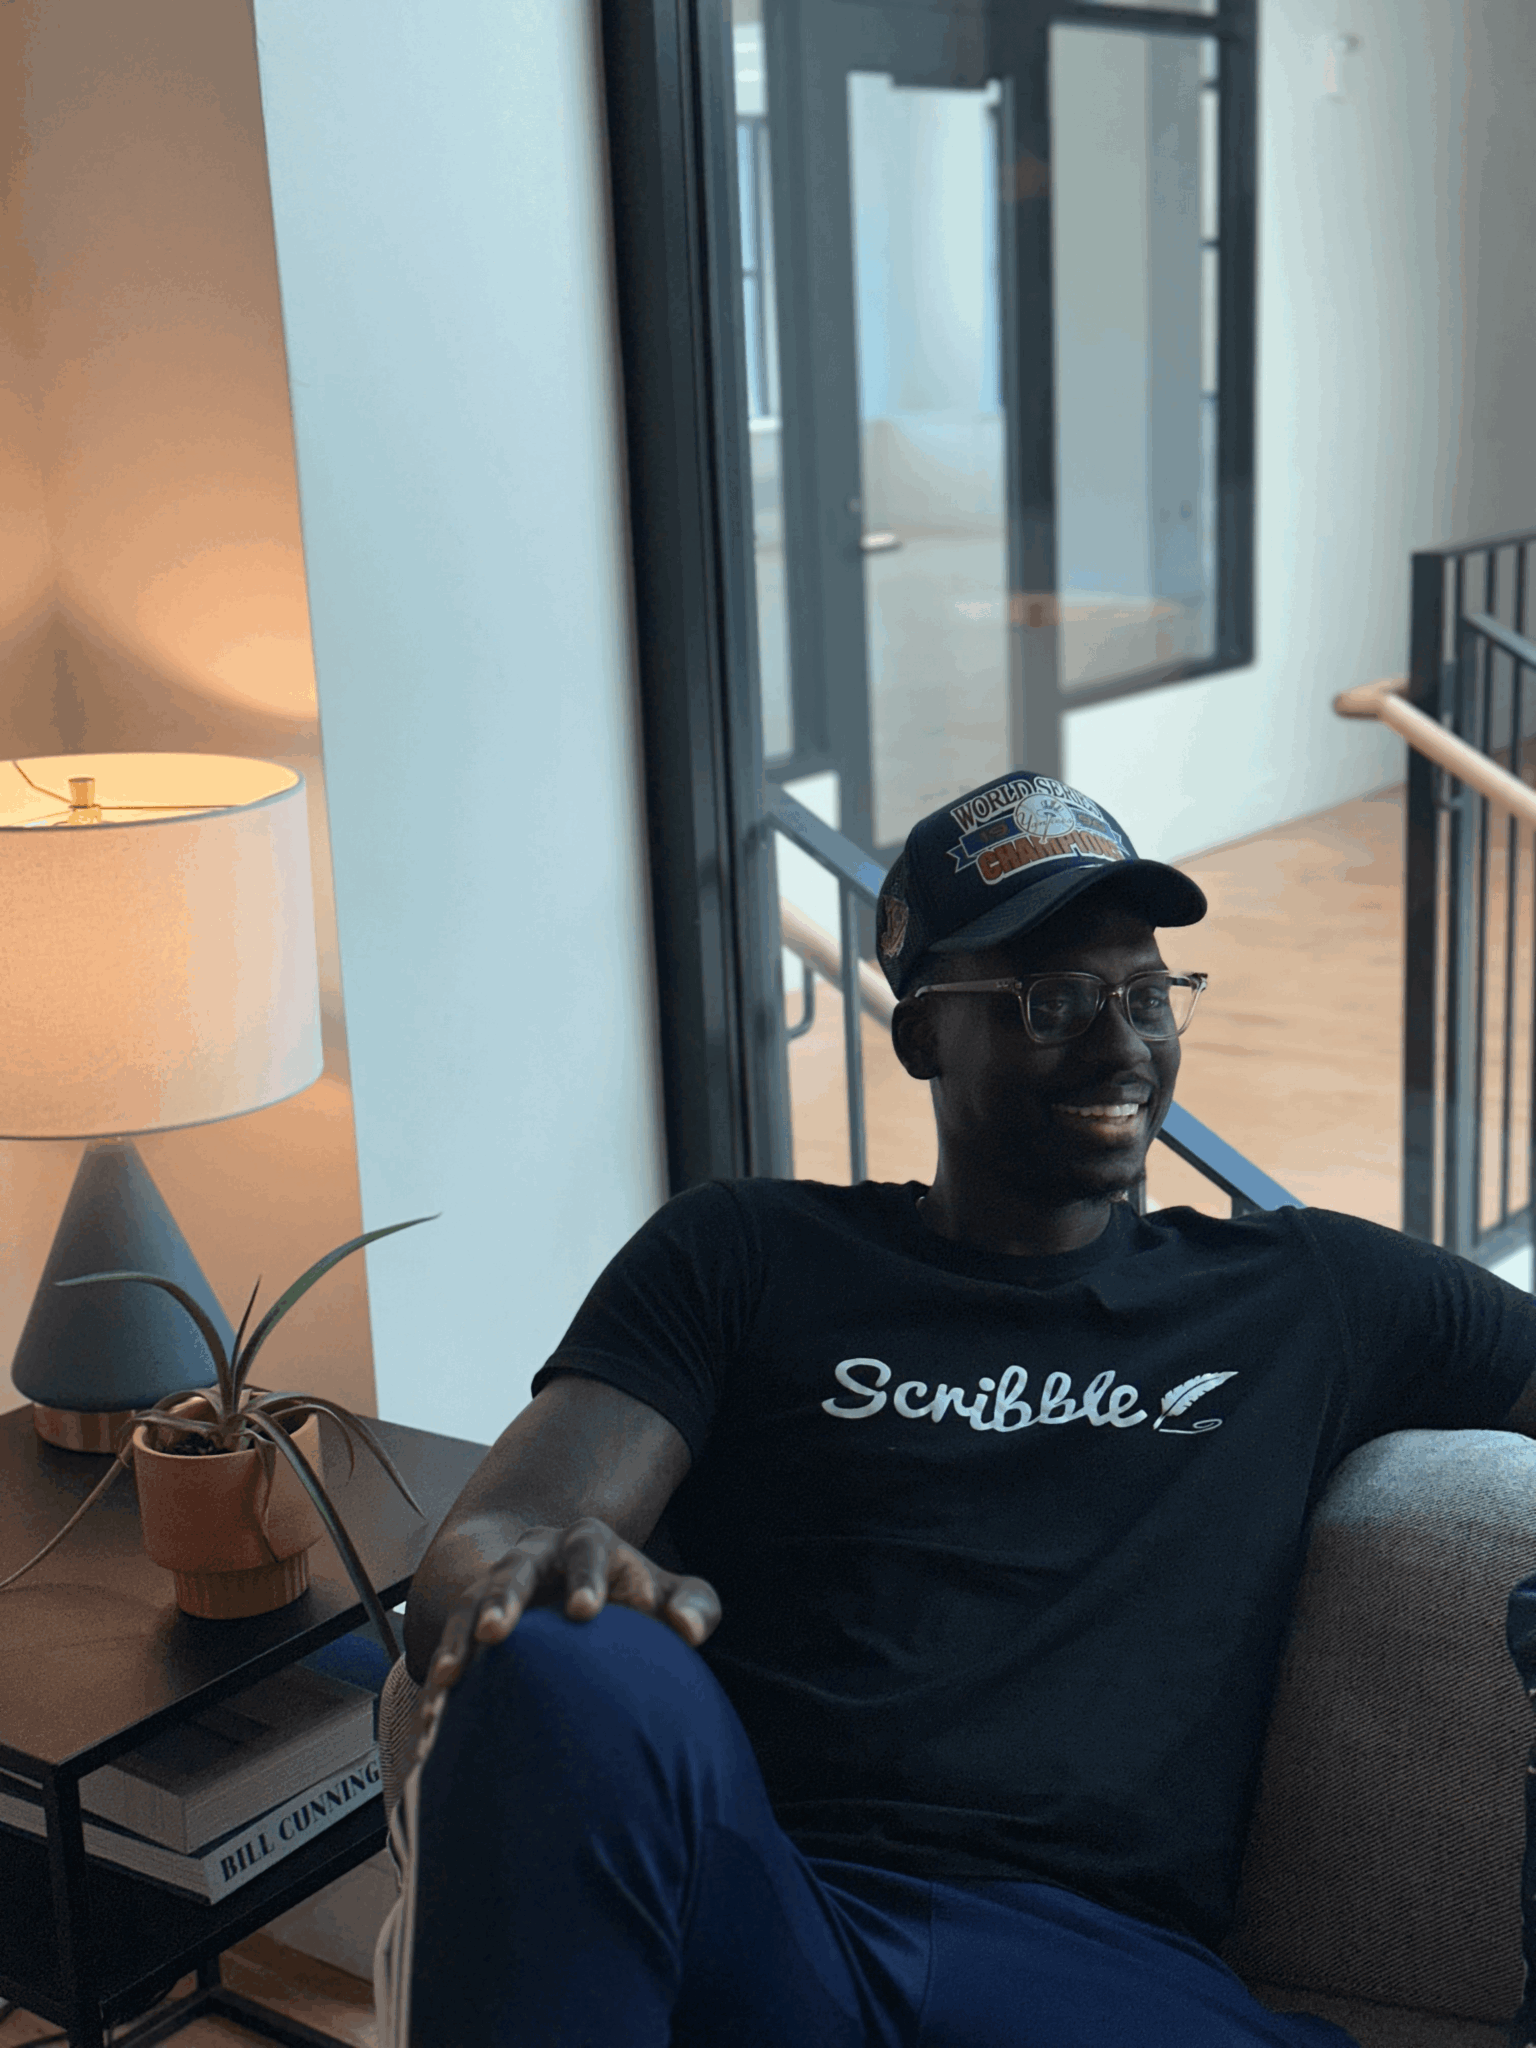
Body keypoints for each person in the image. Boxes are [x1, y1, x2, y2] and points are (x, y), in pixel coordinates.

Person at [380, 770, 1536, 2048]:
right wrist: (545, 1584)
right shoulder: (745, 1253)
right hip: (786, 1928)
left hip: (1101, 1982)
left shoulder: (1308, 1292)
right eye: (1056, 1000)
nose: (1123, 1045)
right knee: (553, 1646)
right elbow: (483, 1550)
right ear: (924, 1032)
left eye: (1150, 995)